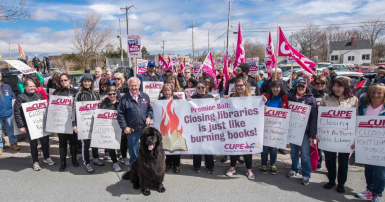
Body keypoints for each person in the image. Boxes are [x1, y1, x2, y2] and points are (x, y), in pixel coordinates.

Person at [320, 77, 358, 193]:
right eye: (335, 86)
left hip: (345, 137)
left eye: (339, 86)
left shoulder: (353, 99)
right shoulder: (326, 98)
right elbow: (320, 116)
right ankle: (331, 180)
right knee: (330, 160)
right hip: (329, 136)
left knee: (343, 161)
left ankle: (341, 183)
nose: (336, 88)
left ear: (345, 87)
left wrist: (355, 137)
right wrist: (318, 132)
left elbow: (356, 119)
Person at [14, 78, 55, 171]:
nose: (32, 88)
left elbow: (45, 109)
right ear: (25, 87)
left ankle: (46, 157)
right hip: (29, 126)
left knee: (45, 142)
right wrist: (21, 126)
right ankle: (35, 161)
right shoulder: (21, 97)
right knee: (33, 145)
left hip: (41, 124)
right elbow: (17, 113)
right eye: (30, 86)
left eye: (33, 86)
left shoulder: (39, 96)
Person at [355, 84, 385, 202]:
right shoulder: (364, 107)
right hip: (366, 144)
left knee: (380, 174)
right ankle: (369, 189)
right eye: (373, 92)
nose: (375, 95)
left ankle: (377, 193)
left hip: (381, 146)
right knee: (368, 169)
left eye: (379, 93)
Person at [287, 78, 318, 185]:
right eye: (299, 86)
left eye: (303, 87)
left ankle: (306, 174)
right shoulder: (291, 97)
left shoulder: (311, 100)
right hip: (293, 129)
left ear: (306, 87)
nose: (300, 88)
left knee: (305, 154)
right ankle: (294, 168)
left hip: (305, 131)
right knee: (294, 152)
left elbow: (314, 118)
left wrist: (312, 134)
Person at [224, 78, 256, 180]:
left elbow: (258, 111)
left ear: (245, 86)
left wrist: (262, 103)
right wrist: (223, 100)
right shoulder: (232, 97)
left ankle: (249, 170)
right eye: (237, 86)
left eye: (241, 85)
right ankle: (232, 168)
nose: (239, 87)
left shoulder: (253, 98)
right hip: (235, 128)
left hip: (248, 129)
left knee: (247, 149)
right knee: (234, 148)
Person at [117, 77, 152, 165]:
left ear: (139, 86)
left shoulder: (145, 96)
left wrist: (148, 117)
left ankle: (145, 164)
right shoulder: (124, 99)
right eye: (132, 86)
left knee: (147, 147)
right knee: (133, 150)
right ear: (128, 86)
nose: (134, 88)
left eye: (135, 86)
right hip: (132, 129)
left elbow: (149, 109)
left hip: (144, 128)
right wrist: (124, 127)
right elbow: (120, 114)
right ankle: (134, 166)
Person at [72, 74, 103, 174]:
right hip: (83, 123)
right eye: (85, 81)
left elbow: (100, 107)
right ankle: (86, 162)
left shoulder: (96, 94)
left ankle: (96, 158)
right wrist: (74, 124)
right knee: (86, 144)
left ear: (92, 82)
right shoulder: (79, 94)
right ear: (82, 82)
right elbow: (74, 110)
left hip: (95, 122)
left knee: (95, 141)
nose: (87, 83)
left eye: (89, 81)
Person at [260, 80, 289, 175]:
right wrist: (261, 105)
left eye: (277, 87)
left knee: (273, 148)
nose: (275, 89)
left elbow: (288, 111)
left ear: (280, 88)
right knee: (264, 148)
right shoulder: (265, 97)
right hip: (265, 126)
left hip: (277, 127)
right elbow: (257, 106)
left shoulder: (284, 98)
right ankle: (263, 164)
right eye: (273, 87)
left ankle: (273, 164)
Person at [52, 74, 79, 171]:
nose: (63, 82)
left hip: (72, 121)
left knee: (73, 142)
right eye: (61, 80)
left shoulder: (75, 92)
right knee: (62, 143)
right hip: (61, 122)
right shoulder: (56, 92)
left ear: (70, 80)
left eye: (65, 80)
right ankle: (63, 162)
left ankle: (74, 160)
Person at [188, 80, 215, 174]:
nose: (200, 89)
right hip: (196, 127)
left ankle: (210, 166)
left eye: (202, 87)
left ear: (206, 88)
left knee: (208, 148)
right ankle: (196, 166)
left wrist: (222, 99)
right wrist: (187, 102)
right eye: (198, 88)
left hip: (208, 126)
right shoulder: (192, 98)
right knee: (197, 148)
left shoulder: (211, 97)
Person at [98, 85, 124, 172]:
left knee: (122, 144)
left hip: (120, 127)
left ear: (116, 93)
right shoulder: (103, 104)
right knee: (112, 145)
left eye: (113, 94)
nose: (112, 96)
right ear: (107, 94)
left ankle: (123, 157)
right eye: (110, 94)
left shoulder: (121, 102)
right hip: (109, 128)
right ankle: (115, 162)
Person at [159, 84, 181, 173]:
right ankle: (168, 163)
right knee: (167, 145)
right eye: (165, 90)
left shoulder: (177, 99)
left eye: (168, 90)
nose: (167, 92)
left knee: (176, 145)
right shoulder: (160, 100)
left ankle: (176, 165)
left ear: (172, 91)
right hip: (165, 126)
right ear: (163, 91)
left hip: (176, 125)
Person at [0, 72, 19, 155]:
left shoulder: (7, 87)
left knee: (10, 129)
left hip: (8, 113)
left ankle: (13, 143)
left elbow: (13, 97)